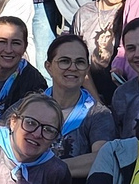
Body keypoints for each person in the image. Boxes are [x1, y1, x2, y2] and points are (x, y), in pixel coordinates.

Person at [43, 32, 116, 174]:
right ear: (48, 67)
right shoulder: (30, 106)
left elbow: (103, 158)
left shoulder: (98, 114)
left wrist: (47, 169)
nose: (72, 67)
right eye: (64, 61)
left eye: (80, 62)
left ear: (87, 69)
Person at [0, 16, 47, 123]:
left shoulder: (35, 83)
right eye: (1, 42)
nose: (8, 50)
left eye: (16, 43)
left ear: (25, 46)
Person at [71, 0, 131, 84]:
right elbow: (77, 60)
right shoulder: (84, 13)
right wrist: (96, 101)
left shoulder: (130, 11)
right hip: (88, 89)